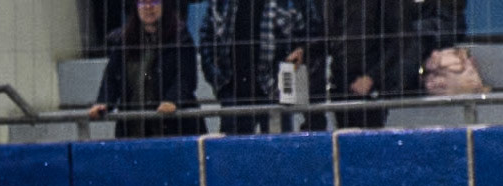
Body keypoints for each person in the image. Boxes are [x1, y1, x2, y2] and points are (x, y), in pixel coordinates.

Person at [199, 0, 324, 134]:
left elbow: (315, 32)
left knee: (276, 150)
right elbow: (206, 34)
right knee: (235, 152)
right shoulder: (221, 3)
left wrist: (302, 49)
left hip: (276, 91)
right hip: (233, 92)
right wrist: (218, 80)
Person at [88, 0, 207, 139]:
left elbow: (186, 78)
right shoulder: (124, 39)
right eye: (142, 2)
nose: (148, 7)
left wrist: (173, 100)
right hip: (133, 129)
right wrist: (104, 102)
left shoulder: (181, 37)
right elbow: (111, 78)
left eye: (154, 2)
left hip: (174, 127)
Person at [327, 0, 418, 128]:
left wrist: (372, 77)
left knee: (368, 136)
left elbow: (401, 37)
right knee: (345, 137)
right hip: (340, 77)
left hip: (370, 79)